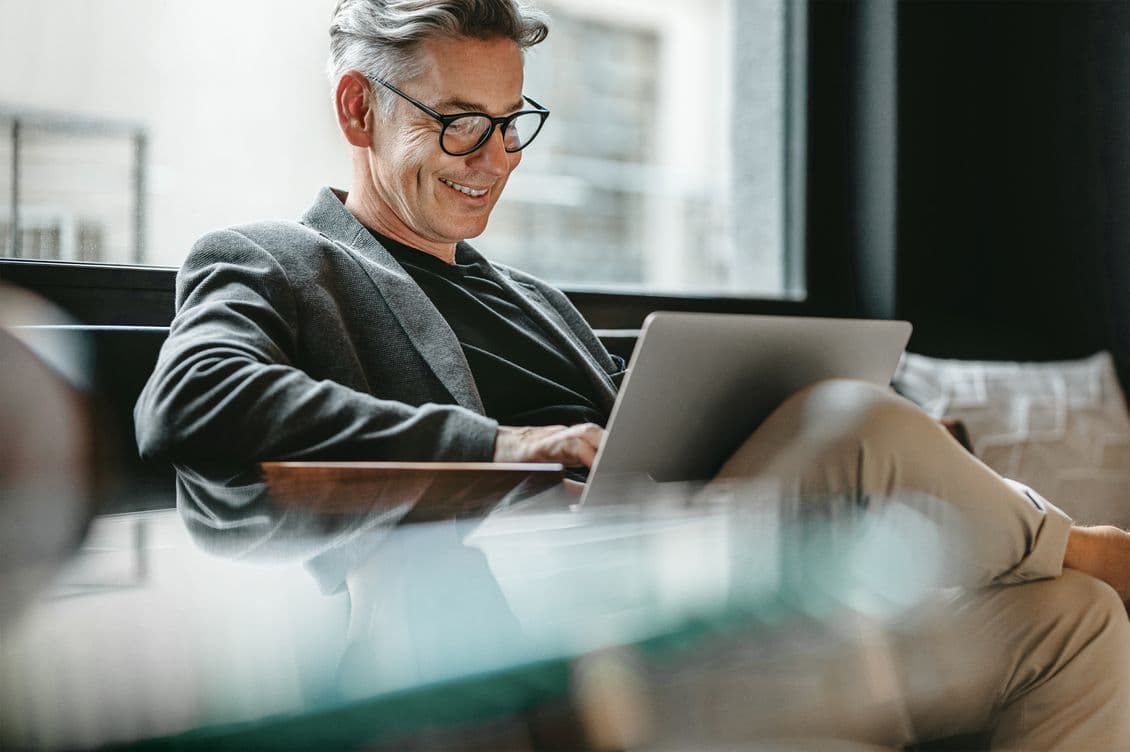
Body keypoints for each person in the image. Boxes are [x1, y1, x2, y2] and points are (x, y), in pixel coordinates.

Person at [134, 0, 1130, 747]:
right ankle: (1074, 541)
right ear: (357, 106)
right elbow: (193, 399)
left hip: (698, 601)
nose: (494, 158)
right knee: (851, 425)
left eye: (510, 120)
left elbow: (653, 435)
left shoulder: (537, 300)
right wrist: (500, 442)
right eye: (457, 121)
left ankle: (1053, 562)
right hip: (532, 638)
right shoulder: (271, 258)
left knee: (1071, 624)